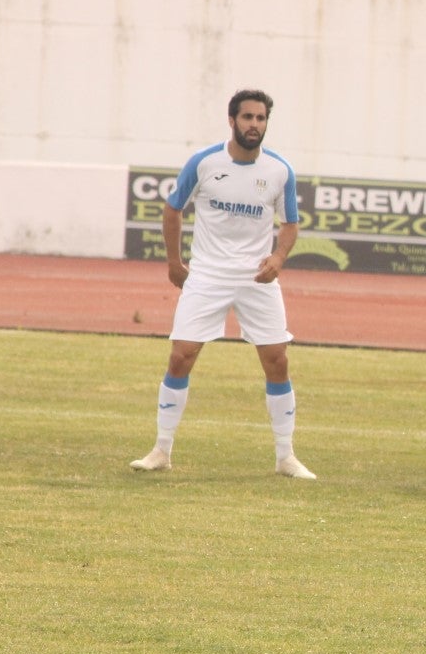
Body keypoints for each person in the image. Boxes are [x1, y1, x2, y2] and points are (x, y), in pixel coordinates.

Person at [130, 89, 316, 480]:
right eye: (247, 117)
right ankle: (161, 450)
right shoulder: (204, 162)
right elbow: (172, 209)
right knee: (181, 355)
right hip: (209, 275)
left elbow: (291, 224)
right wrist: (174, 262)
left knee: (277, 360)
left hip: (256, 279)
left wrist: (278, 258)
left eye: (261, 118)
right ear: (232, 120)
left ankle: (286, 457)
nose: (254, 125)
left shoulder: (279, 170)